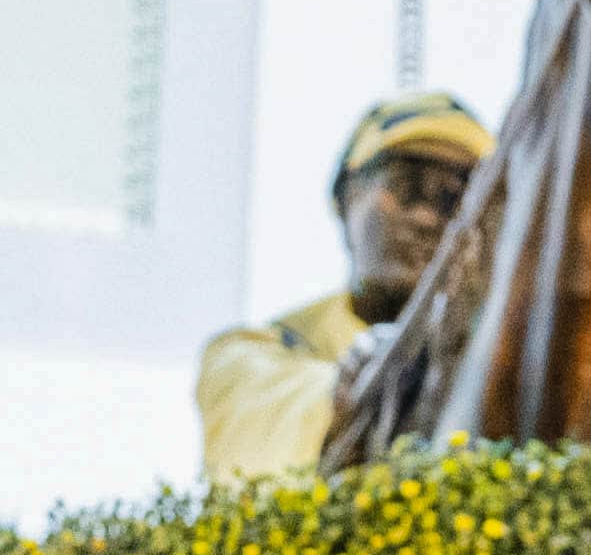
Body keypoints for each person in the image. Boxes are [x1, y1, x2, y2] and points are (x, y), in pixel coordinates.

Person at [196, 88, 490, 484]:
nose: (426, 218)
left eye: (456, 198)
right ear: (345, 198)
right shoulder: (255, 355)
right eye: (405, 185)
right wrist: (369, 386)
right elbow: (250, 454)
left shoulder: (502, 369)